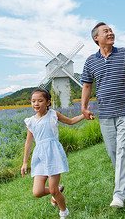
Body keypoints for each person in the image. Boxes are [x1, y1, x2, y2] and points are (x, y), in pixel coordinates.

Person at [81, 22, 125, 208]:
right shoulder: (90, 61)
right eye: (105, 31)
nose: (111, 33)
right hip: (105, 114)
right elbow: (86, 85)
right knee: (113, 151)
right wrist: (84, 107)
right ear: (96, 38)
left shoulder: (124, 52)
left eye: (111, 30)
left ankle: (119, 195)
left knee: (124, 150)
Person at [21, 88, 91, 219]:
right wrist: (25, 163)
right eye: (33, 101)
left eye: (40, 101)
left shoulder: (53, 114)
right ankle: (57, 189)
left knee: (52, 190)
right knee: (37, 192)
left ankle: (64, 212)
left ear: (48, 102)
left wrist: (84, 115)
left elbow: (70, 121)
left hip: (54, 154)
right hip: (40, 157)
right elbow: (28, 143)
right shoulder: (31, 121)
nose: (36, 104)